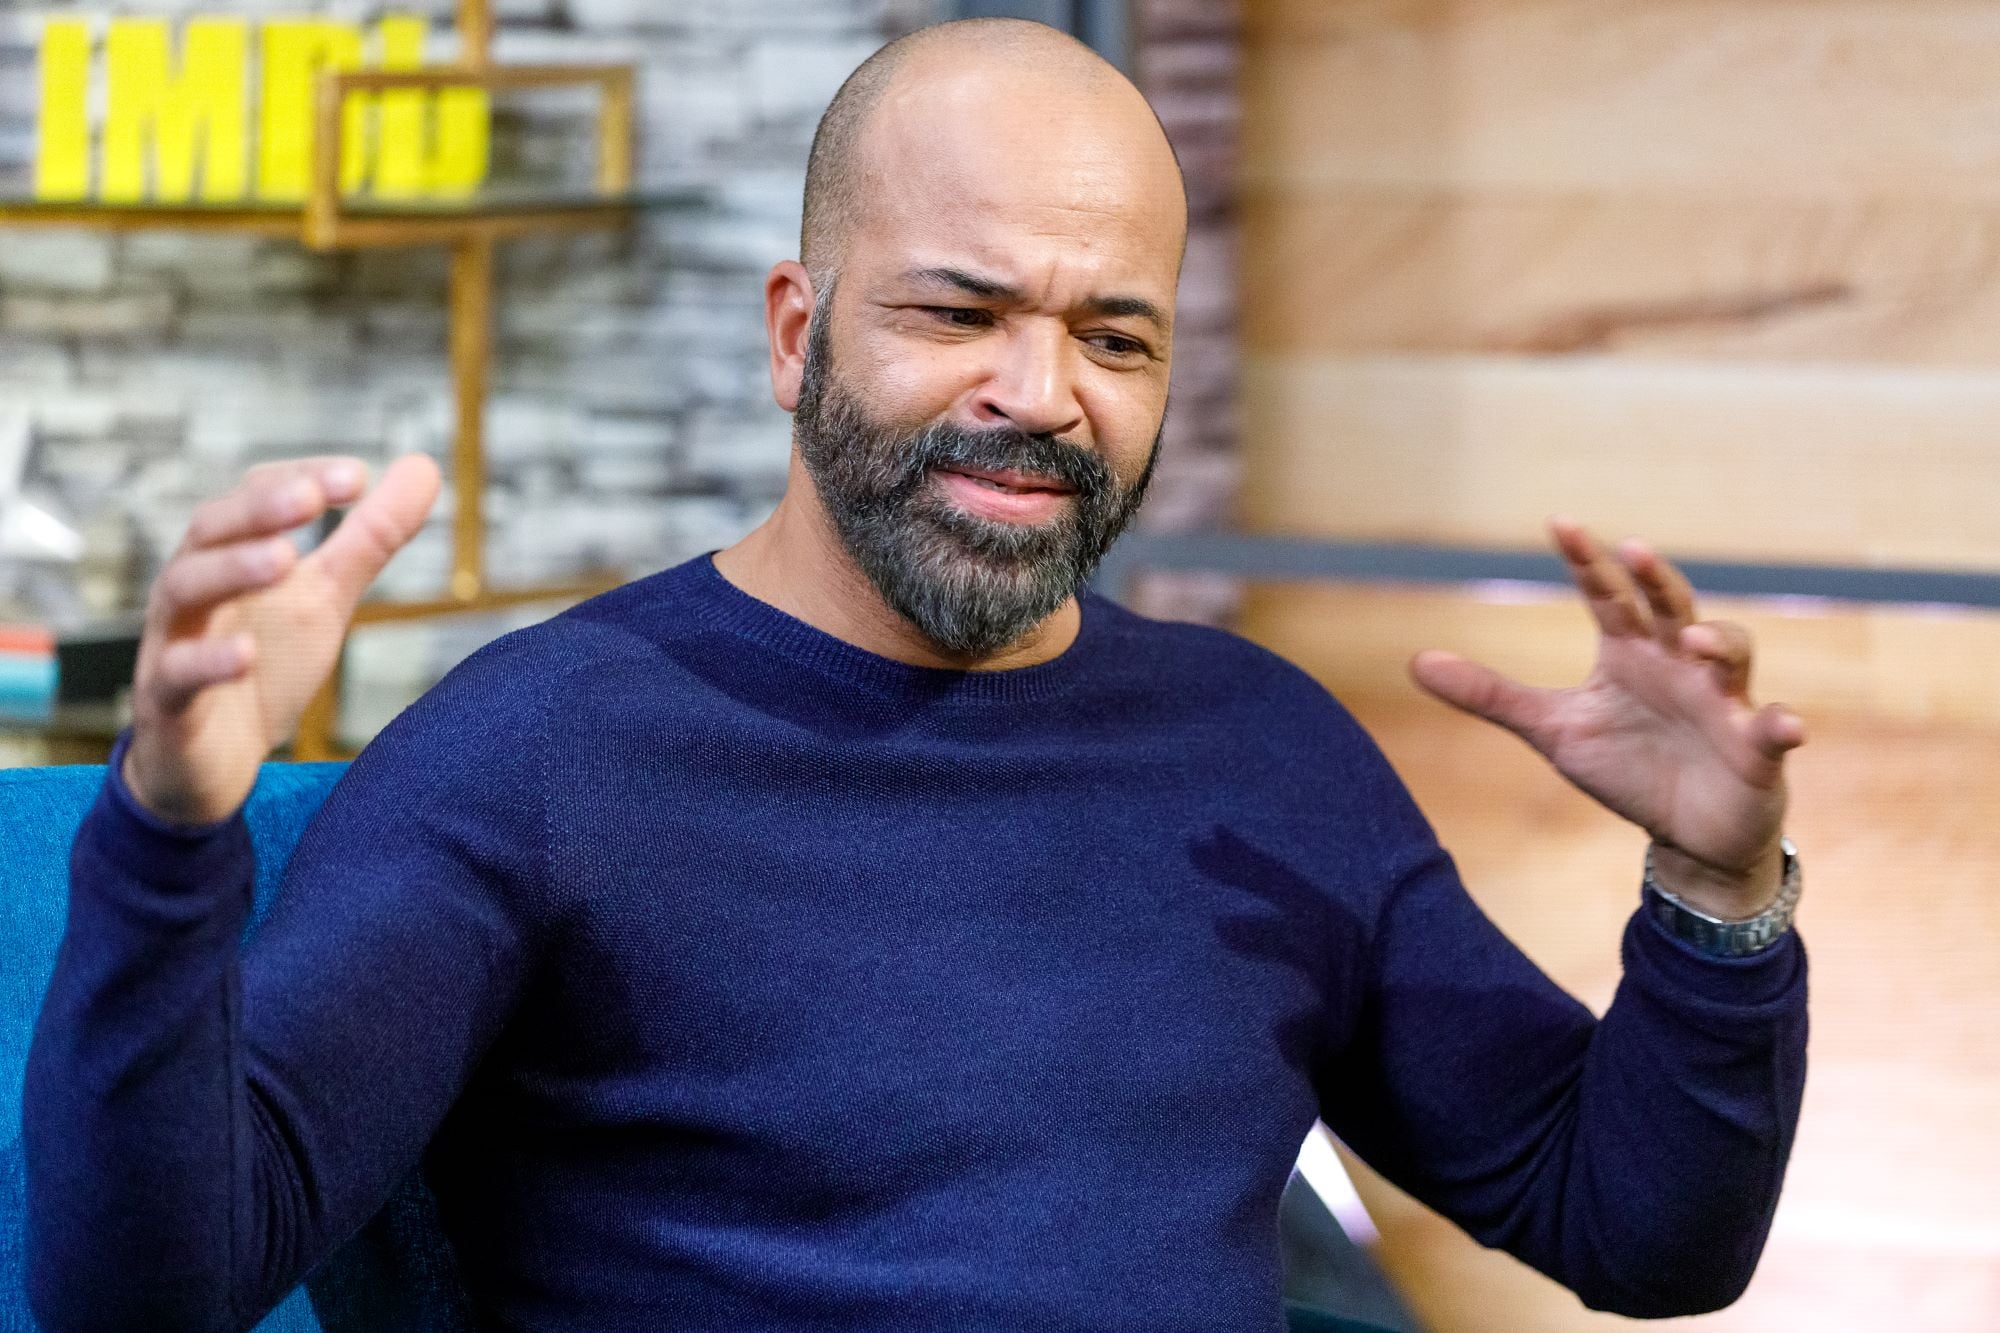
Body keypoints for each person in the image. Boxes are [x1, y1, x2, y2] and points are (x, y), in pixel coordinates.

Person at [23, 18, 1808, 1332]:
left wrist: (1716, 893)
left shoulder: (1259, 748)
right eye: (959, 313)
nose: (1040, 392)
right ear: (796, 334)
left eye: (1113, 335)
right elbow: (146, 1288)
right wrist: (169, 829)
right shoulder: (540, 750)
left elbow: (1638, 1233)